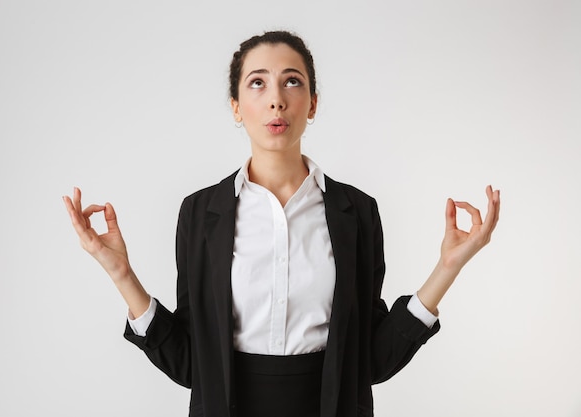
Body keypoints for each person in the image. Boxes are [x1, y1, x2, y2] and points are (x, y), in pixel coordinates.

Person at [63, 30, 500, 417]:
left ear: (312, 103)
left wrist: (448, 267)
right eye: (258, 83)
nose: (276, 98)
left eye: (292, 81)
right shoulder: (200, 213)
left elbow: (372, 362)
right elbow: (191, 364)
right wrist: (120, 272)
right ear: (236, 107)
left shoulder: (357, 212)